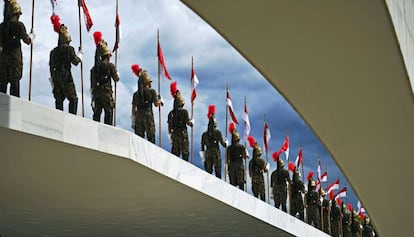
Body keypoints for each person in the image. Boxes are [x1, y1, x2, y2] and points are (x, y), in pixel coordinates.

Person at [49, 15, 82, 114]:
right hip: (67, 79)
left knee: (59, 101)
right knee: (73, 99)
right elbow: (75, 62)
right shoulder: (69, 49)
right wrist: (80, 55)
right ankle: (72, 118)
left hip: (56, 79)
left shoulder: (53, 52)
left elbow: (51, 68)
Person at [0, 0, 32, 97]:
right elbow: (27, 41)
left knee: (2, 88)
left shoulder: (1, 26)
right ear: (17, 13)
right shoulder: (19, 25)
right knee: (14, 86)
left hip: (2, 61)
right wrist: (31, 35)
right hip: (14, 60)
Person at [130, 64, 162, 143]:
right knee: (151, 138)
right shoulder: (152, 91)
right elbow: (156, 104)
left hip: (138, 117)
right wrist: (160, 101)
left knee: (138, 140)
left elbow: (133, 109)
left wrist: (133, 120)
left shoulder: (136, 94)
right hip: (148, 117)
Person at [90, 42, 119, 125]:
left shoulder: (94, 68)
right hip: (106, 93)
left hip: (96, 93)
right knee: (108, 112)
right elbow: (116, 79)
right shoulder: (110, 66)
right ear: (108, 55)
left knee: (97, 113)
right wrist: (117, 73)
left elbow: (92, 84)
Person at [167, 81, 193, 161]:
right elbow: (188, 123)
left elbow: (169, 128)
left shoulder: (170, 113)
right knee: (185, 154)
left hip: (174, 135)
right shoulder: (184, 112)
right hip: (182, 135)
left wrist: (171, 137)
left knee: (175, 155)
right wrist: (191, 123)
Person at [201, 105, 227, 178]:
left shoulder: (204, 134)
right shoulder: (218, 132)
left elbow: (202, 148)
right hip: (216, 154)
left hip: (207, 154)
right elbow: (223, 144)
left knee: (208, 173)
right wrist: (226, 143)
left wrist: (203, 158)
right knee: (218, 172)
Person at [226, 122, 246, 189]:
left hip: (231, 166)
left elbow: (227, 160)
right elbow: (244, 156)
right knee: (241, 183)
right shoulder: (241, 147)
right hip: (239, 166)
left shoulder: (229, 148)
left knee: (232, 184)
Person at [248, 136, 268, 201]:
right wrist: (267, 166)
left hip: (253, 179)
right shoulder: (261, 161)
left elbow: (250, 174)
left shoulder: (251, 162)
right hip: (260, 179)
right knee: (262, 195)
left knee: (255, 196)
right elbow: (265, 170)